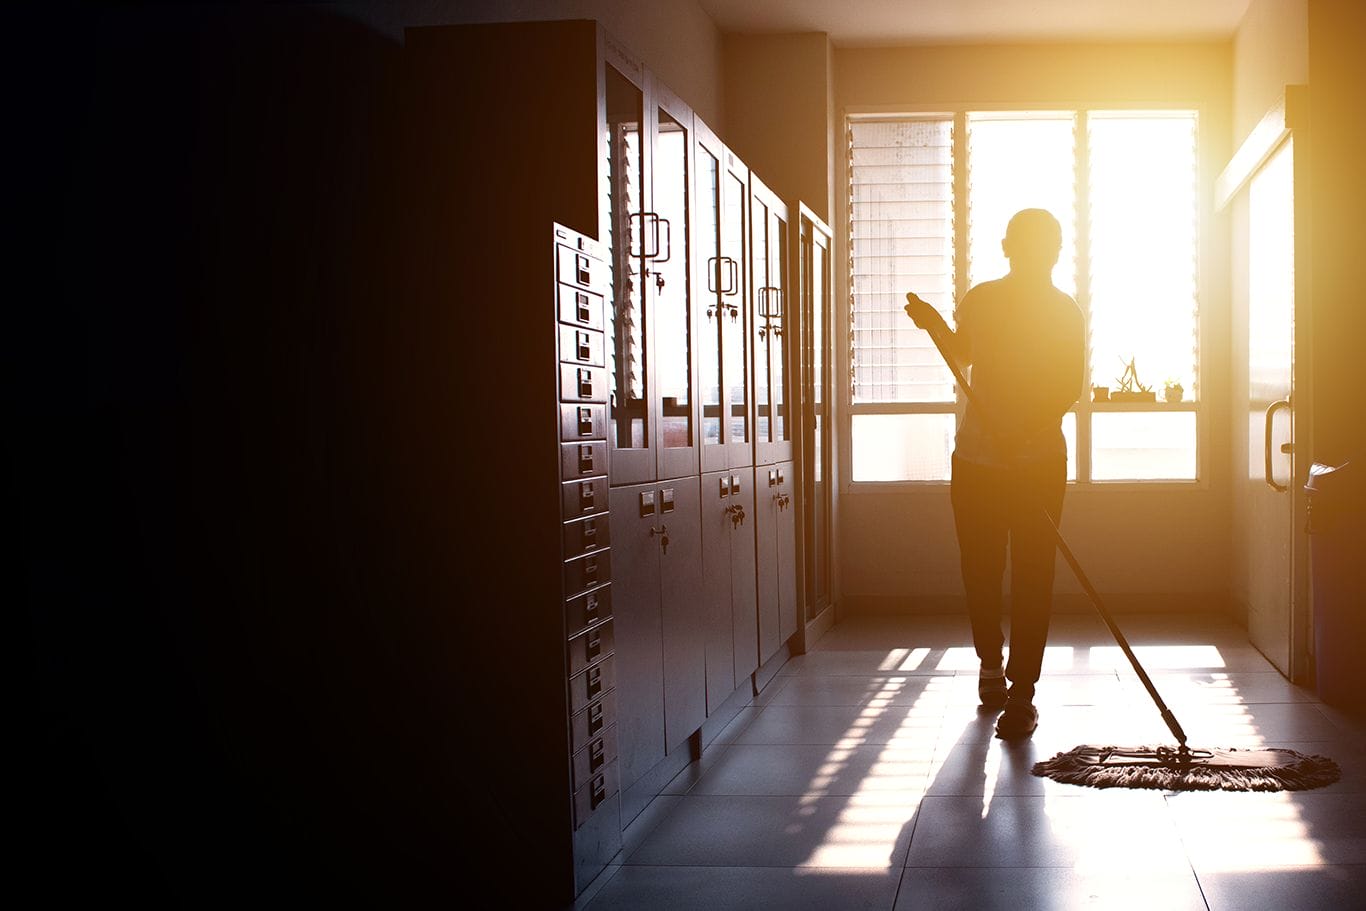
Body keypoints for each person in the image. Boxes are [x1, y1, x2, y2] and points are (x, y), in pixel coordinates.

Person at [903, 208, 1084, 738]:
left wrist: (1027, 430)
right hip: (978, 461)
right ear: (1008, 248)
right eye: (1025, 245)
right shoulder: (983, 299)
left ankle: (1023, 694)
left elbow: (1067, 384)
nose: (1035, 253)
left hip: (1039, 462)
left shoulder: (1063, 312)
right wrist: (935, 323)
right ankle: (991, 665)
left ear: (1056, 251)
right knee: (980, 569)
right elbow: (964, 354)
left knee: (1034, 575)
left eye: (1044, 244)